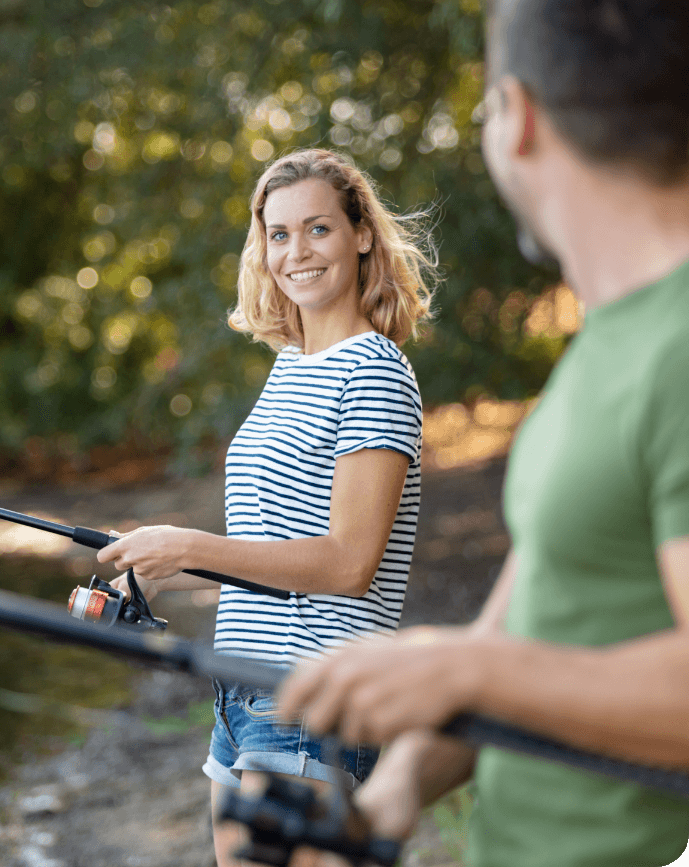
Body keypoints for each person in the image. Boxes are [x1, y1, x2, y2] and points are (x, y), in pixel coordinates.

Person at [277, 2, 689, 866]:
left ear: (519, 116)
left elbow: (494, 666)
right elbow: (535, 613)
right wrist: (396, 787)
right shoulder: (610, 339)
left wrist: (464, 672)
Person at [96, 148, 437, 866]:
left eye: (317, 228)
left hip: (311, 692)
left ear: (361, 234)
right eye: (278, 234)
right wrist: (160, 568)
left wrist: (188, 543)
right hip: (244, 691)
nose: (296, 252)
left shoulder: (373, 369)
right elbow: (272, 549)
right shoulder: (291, 364)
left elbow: (347, 564)